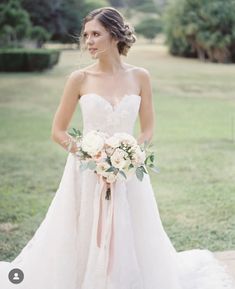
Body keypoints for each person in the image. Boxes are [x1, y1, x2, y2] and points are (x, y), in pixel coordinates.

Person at [0, 6, 235, 289]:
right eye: (86, 35)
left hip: (128, 172)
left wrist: (130, 154)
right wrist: (92, 157)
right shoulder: (79, 79)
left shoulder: (140, 77)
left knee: (131, 229)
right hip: (85, 172)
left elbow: (147, 128)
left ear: (114, 35)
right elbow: (57, 132)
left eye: (95, 34)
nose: (88, 41)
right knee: (84, 227)